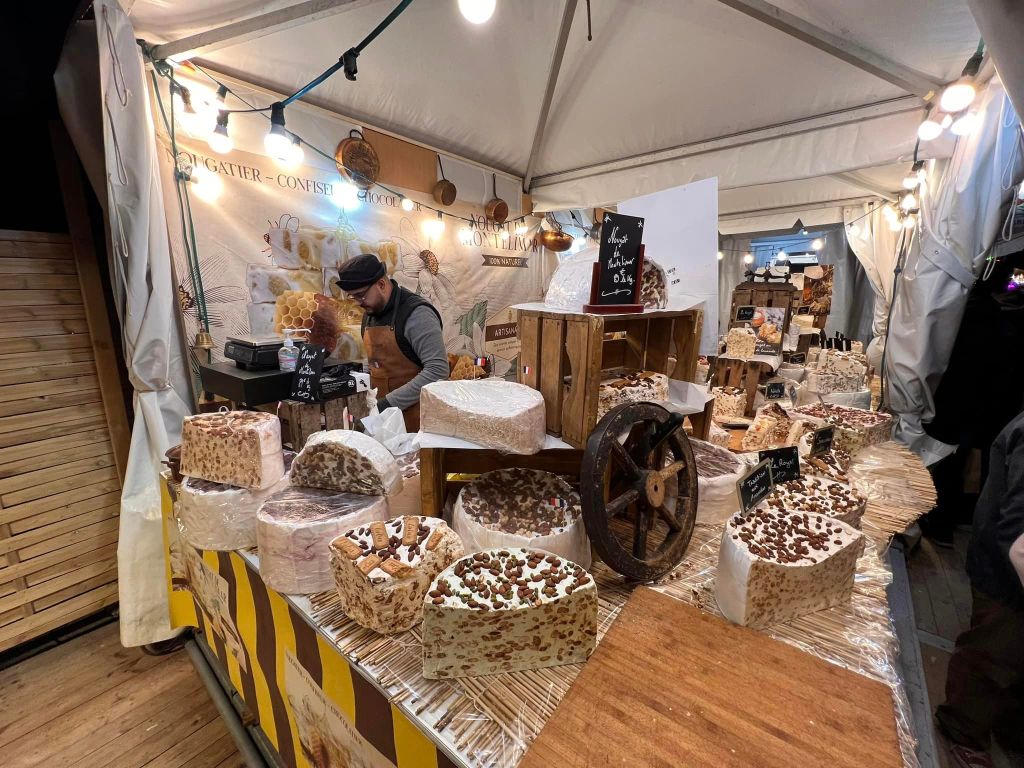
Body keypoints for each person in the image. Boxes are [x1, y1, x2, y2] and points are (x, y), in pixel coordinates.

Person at [935, 409, 1024, 767]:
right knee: (991, 657)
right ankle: (962, 730)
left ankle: (1009, 726)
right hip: (1004, 577)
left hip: (1006, 565)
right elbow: (1017, 534)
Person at [336, 254, 448, 432]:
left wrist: (387, 404)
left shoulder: (417, 314)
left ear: (381, 284)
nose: (358, 303)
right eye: (353, 297)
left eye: (361, 295)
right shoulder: (370, 315)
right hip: (385, 420)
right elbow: (375, 363)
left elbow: (437, 371)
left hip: (419, 422)